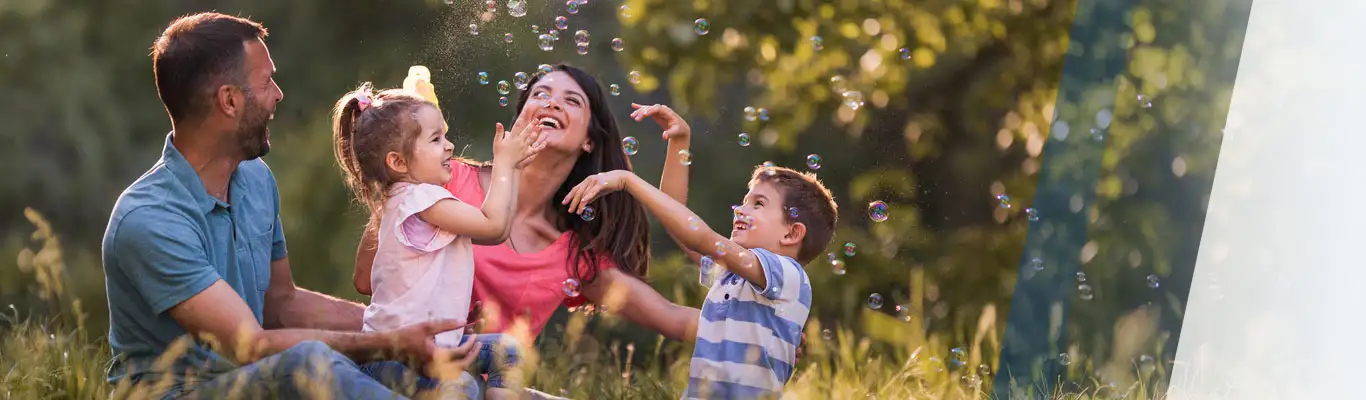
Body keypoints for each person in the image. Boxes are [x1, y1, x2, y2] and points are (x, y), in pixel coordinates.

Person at [100, 12, 477, 399]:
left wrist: (416, 325)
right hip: (180, 392)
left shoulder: (256, 180)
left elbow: (282, 304)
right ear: (229, 100)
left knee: (458, 381)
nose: (278, 94)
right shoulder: (149, 220)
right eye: (266, 82)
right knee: (310, 361)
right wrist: (392, 342)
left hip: (261, 379)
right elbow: (250, 345)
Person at [353, 64, 703, 348]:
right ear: (520, 117)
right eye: (541, 94)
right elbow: (366, 278)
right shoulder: (448, 180)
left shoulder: (572, 256)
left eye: (572, 101)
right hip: (408, 363)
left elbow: (671, 316)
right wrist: (399, 185)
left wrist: (751, 322)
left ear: (589, 141)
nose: (552, 104)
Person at [330, 82, 545, 399]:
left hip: (415, 348)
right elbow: (494, 225)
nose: (449, 146)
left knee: (508, 351)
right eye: (435, 139)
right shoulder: (422, 199)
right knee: (463, 386)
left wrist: (511, 170)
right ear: (399, 162)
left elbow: (498, 230)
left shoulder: (403, 201)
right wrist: (504, 165)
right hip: (396, 357)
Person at [562, 165, 837, 399]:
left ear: (792, 233)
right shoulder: (734, 274)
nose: (740, 210)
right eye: (745, 200)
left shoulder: (787, 273)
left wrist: (628, 180)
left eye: (758, 204)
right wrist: (679, 141)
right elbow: (678, 224)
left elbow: (700, 238)